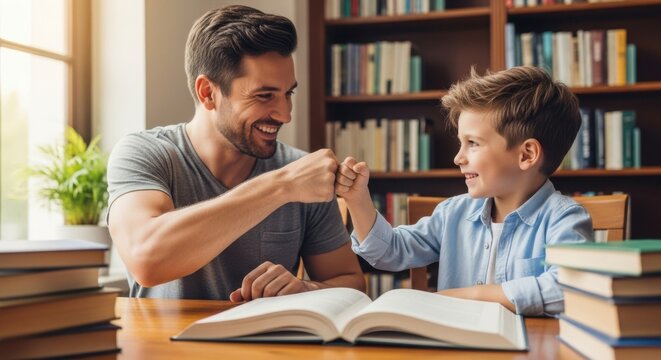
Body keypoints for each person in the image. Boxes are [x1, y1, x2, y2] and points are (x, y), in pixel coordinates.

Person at [106, 5, 364, 301]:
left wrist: (306, 288)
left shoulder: (299, 172)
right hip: (163, 346)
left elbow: (351, 282)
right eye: (264, 95)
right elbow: (146, 260)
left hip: (269, 347)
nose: (285, 114)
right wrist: (282, 187)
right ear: (207, 93)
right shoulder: (144, 153)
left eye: (288, 93)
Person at [335, 66, 593, 316]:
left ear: (526, 155)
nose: (458, 158)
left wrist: (467, 297)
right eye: (461, 143)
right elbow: (390, 252)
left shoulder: (564, 219)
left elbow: (569, 288)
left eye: (473, 143)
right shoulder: (453, 214)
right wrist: (357, 199)